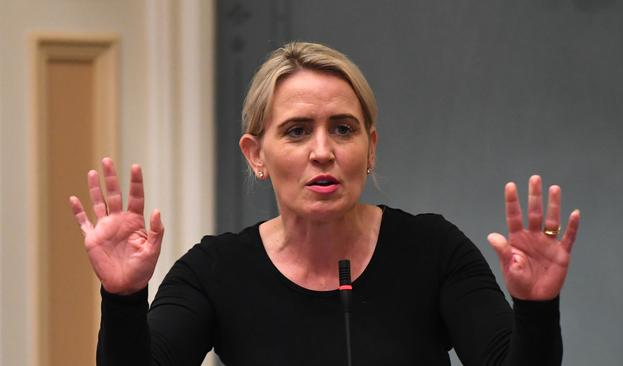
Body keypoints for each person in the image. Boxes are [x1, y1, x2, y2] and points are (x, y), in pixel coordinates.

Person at [69, 42, 580, 366]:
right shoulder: (215, 269)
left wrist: (535, 308)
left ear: (370, 147)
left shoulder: (434, 250)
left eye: (343, 128)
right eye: (296, 131)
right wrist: (123, 298)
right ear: (256, 155)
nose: (323, 151)